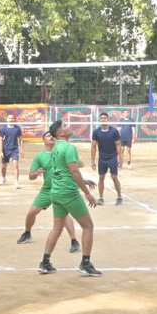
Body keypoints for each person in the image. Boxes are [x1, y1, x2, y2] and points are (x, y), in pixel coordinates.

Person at [38, 119, 101, 277]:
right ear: (60, 133)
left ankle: (45, 262)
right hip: (68, 193)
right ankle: (85, 264)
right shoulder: (69, 147)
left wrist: (83, 180)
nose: (69, 127)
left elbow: (62, 170)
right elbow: (74, 171)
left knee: (57, 228)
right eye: (65, 126)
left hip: (56, 191)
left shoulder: (55, 148)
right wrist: (86, 192)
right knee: (88, 227)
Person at [16, 130, 80, 253]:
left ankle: (74, 241)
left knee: (64, 216)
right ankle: (27, 233)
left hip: (61, 188)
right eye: (48, 135)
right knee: (31, 213)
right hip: (47, 189)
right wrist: (36, 172)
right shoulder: (40, 156)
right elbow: (31, 176)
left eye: (52, 135)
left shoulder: (62, 150)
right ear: (43, 140)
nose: (51, 137)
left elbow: (77, 166)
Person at [90, 112, 124, 205]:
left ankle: (119, 196)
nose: (103, 119)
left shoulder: (114, 131)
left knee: (114, 177)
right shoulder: (96, 132)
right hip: (102, 159)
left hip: (112, 157)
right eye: (102, 118)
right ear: (100, 120)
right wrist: (93, 161)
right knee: (101, 178)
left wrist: (120, 159)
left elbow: (118, 145)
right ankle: (101, 198)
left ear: (108, 119)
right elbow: (93, 146)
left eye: (105, 118)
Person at [0, 115, 23, 189]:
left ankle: (16, 182)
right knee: (3, 166)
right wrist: (0, 151)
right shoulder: (3, 129)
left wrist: (21, 149)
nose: (11, 119)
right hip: (5, 149)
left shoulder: (17, 128)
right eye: (9, 118)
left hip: (14, 150)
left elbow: (20, 139)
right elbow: (0, 140)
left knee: (15, 165)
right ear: (7, 119)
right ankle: (3, 178)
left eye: (12, 118)